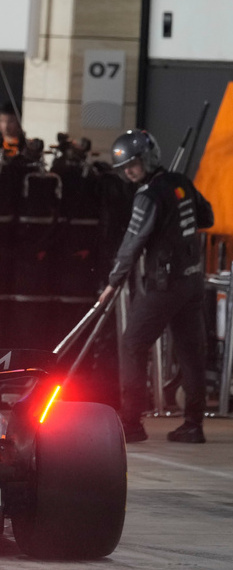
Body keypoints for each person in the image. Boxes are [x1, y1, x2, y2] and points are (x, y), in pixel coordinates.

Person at [98, 130, 213, 444]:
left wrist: (113, 281)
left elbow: (132, 242)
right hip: (192, 280)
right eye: (125, 168)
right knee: (192, 353)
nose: (129, 172)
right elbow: (207, 216)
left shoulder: (147, 195)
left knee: (132, 345)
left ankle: (131, 424)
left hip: (163, 284)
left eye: (133, 164)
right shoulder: (182, 183)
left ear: (147, 158)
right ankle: (193, 425)